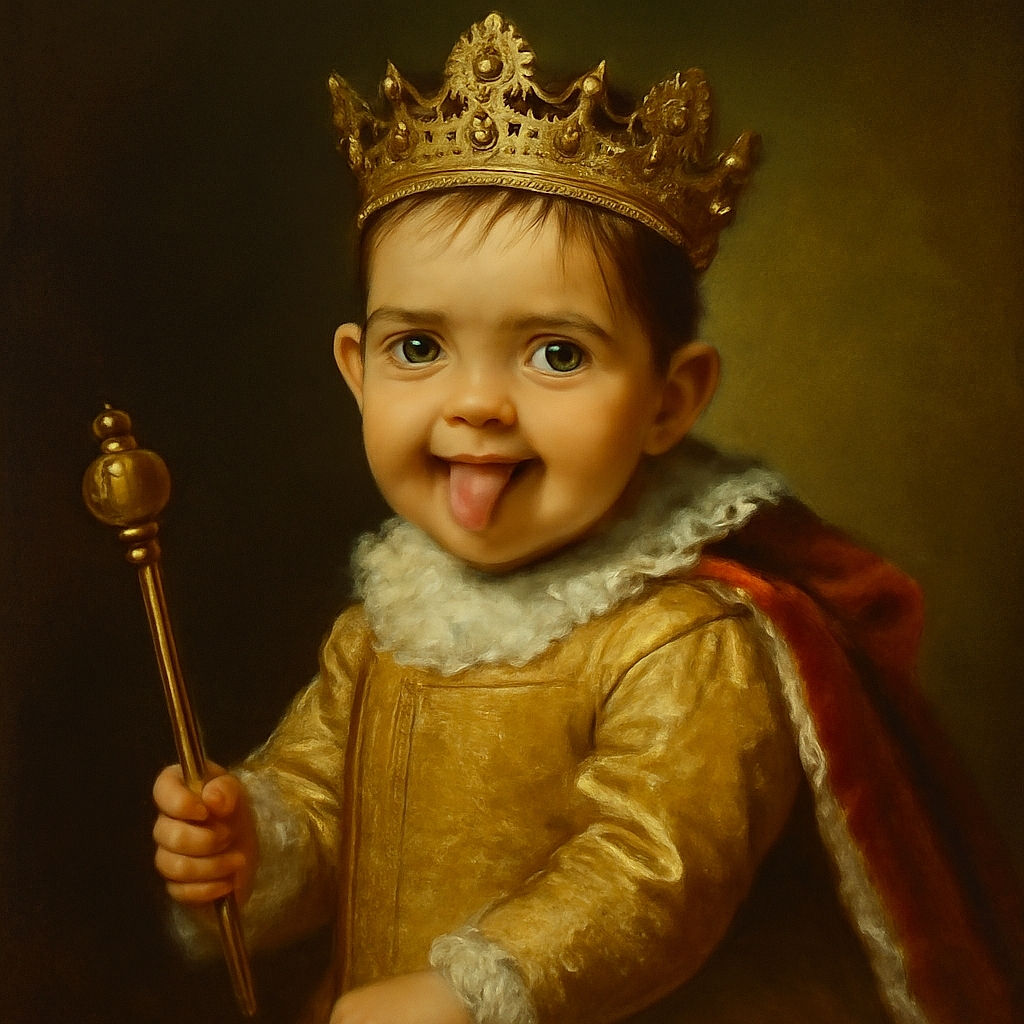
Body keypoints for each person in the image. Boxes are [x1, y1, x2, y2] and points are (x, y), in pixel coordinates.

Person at [151, 14, 1021, 1024]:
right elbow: (317, 799)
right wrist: (253, 841)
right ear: (355, 369)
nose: (475, 404)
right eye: (419, 348)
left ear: (668, 400)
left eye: (556, 354)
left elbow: (653, 872)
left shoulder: (685, 642)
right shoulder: (380, 628)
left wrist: (466, 992)